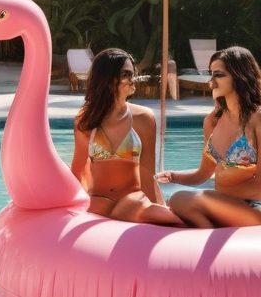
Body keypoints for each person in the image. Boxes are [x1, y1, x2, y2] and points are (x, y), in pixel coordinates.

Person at [157, 46, 261, 227]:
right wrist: (173, 176)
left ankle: (208, 230)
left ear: (240, 77)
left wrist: (215, 196)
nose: (212, 81)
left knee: (183, 198)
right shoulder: (212, 121)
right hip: (218, 203)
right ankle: (209, 233)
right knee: (176, 200)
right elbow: (203, 174)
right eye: (211, 74)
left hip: (254, 209)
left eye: (219, 75)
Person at [69, 49, 182, 226]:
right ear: (108, 79)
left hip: (133, 201)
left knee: (179, 222)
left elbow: (147, 174)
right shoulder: (86, 120)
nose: (133, 79)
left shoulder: (143, 118)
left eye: (133, 74)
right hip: (99, 202)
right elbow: (78, 171)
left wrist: (158, 208)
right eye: (126, 74)